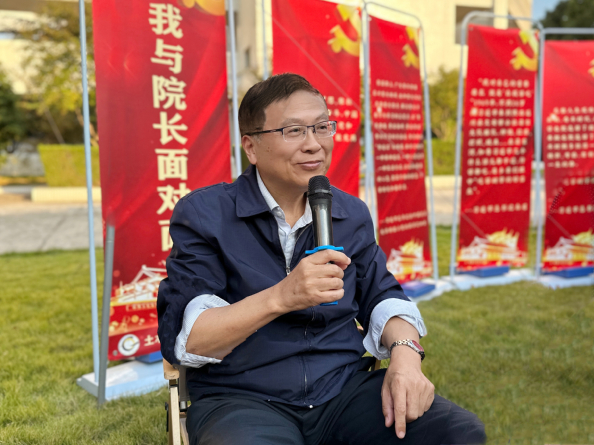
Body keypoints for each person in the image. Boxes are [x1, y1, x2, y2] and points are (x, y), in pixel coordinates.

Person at [157, 73, 486, 444]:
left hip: (343, 390)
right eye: (294, 131)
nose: (314, 145)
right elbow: (191, 338)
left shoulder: (349, 212)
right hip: (242, 398)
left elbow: (384, 296)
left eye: (322, 127)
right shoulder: (206, 214)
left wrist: (406, 356)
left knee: (458, 433)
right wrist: (282, 296)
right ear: (251, 147)